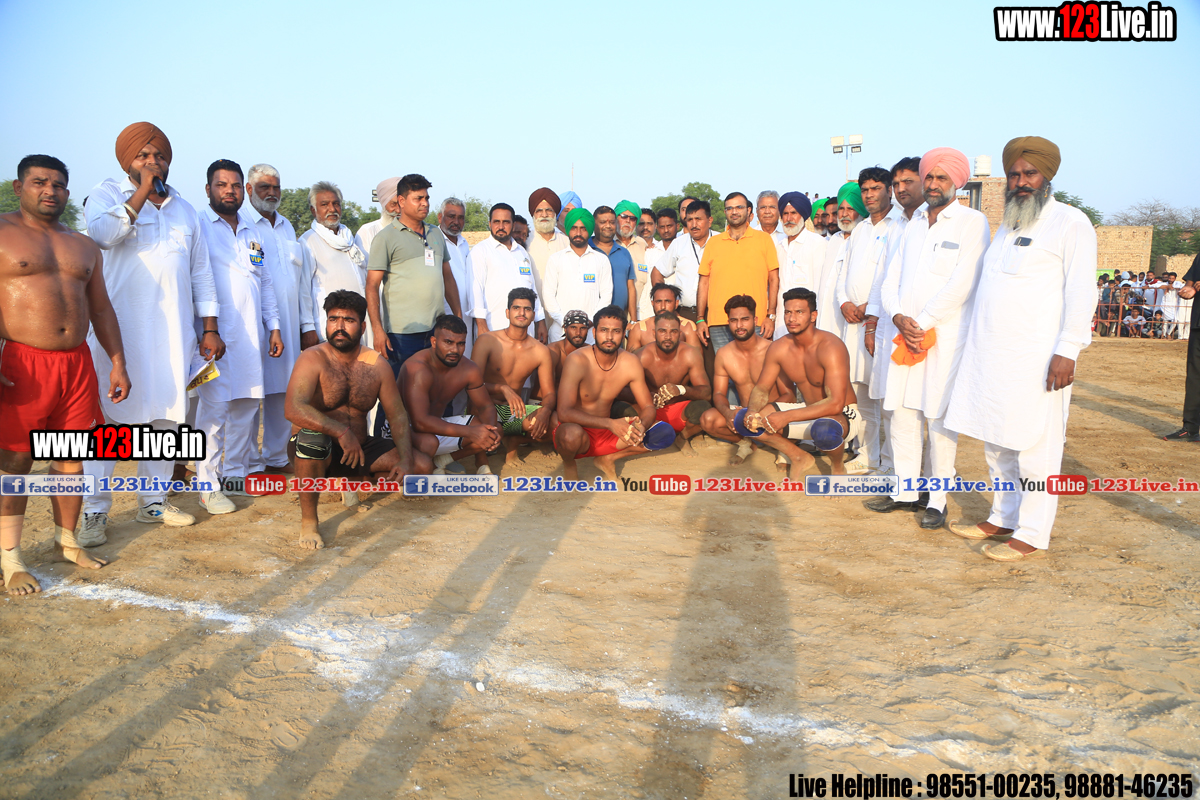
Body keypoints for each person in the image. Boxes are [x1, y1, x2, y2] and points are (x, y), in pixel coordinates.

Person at [946, 136, 1099, 560]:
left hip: (1040, 359)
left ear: (1046, 177)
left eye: (1029, 173)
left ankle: (1031, 532)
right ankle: (1003, 516)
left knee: (1036, 447)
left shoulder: (1071, 222)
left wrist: (1068, 349)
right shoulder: (1008, 225)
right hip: (993, 355)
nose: (1021, 181)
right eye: (1014, 174)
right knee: (997, 441)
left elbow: (1082, 292)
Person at [82, 122, 222, 543]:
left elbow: (201, 272)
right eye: (143, 155)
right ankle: (94, 510)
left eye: (159, 155)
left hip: (172, 334)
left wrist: (209, 327)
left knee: (167, 418)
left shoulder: (185, 209)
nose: (153, 162)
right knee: (107, 424)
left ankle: (152, 501)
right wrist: (142, 191)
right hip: (118, 334)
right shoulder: (106, 194)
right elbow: (102, 235)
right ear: (127, 161)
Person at [0, 155, 127, 594]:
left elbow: (101, 308)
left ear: (67, 193)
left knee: (70, 457)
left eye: (57, 184)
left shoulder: (84, 245)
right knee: (16, 460)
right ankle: (10, 558)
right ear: (19, 187)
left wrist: (117, 361)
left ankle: (66, 542)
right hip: (20, 361)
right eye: (39, 182)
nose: (49, 190)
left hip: (76, 363)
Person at [870, 147, 990, 529]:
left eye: (942, 177)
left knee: (938, 419)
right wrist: (898, 317)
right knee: (902, 414)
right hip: (904, 335)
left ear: (958, 182)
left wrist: (920, 323)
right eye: (930, 177)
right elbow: (890, 279)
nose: (934, 183)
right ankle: (905, 492)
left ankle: (937, 500)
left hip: (943, 338)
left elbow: (963, 283)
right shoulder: (914, 223)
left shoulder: (972, 222)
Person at [285, 290, 425, 550]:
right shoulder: (313, 358)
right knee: (312, 443)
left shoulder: (376, 365)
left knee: (421, 466)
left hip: (358, 450)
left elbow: (396, 415)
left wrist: (405, 459)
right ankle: (309, 521)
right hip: (318, 451)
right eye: (333, 319)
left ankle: (352, 482)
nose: (339, 327)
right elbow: (293, 408)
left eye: (348, 320)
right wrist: (341, 432)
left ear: (362, 327)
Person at [194, 160, 283, 515]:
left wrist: (273, 326)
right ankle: (207, 484)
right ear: (209, 190)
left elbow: (265, 282)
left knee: (246, 406)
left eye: (234, 185)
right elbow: (196, 280)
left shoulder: (251, 231)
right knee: (214, 410)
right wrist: (207, 330)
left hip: (251, 336)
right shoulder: (199, 226)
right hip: (213, 336)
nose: (229, 191)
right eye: (222, 185)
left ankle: (234, 475)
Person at [744, 288, 864, 481]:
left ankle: (837, 466)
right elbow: (762, 388)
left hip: (841, 415)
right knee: (746, 422)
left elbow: (835, 403)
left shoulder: (830, 347)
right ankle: (798, 456)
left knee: (824, 431)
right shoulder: (779, 348)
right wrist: (752, 411)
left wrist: (786, 416)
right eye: (788, 312)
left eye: (799, 312)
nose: (792, 318)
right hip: (807, 410)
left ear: (813, 316)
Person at [245, 163, 316, 475]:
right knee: (250, 393)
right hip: (253, 322)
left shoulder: (287, 227)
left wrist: (304, 325)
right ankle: (249, 461)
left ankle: (275, 457)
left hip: (287, 324)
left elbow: (299, 282)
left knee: (282, 391)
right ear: (249, 190)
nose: (272, 193)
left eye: (276, 187)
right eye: (265, 187)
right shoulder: (244, 225)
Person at [836, 166, 906, 475]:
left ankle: (890, 461)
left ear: (889, 190)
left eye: (876, 188)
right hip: (852, 324)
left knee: (885, 396)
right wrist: (844, 301)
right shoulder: (860, 229)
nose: (869, 195)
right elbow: (843, 273)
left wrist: (870, 308)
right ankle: (868, 455)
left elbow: (891, 276)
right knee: (859, 392)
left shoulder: (900, 226)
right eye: (865, 190)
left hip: (881, 323)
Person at [366, 174, 461, 379]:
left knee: (437, 387)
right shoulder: (385, 238)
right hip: (402, 335)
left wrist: (458, 317)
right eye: (418, 198)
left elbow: (448, 278)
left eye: (426, 198)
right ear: (401, 201)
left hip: (437, 330)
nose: (425, 203)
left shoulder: (436, 234)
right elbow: (372, 286)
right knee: (400, 389)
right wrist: (378, 329)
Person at [552, 305, 656, 481]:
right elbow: (564, 412)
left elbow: (648, 406)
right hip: (579, 431)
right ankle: (569, 463)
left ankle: (607, 458)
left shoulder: (631, 363)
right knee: (570, 435)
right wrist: (610, 423)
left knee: (661, 432)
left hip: (608, 433)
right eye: (604, 330)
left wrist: (642, 426)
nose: (609, 337)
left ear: (623, 333)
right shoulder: (577, 360)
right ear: (594, 333)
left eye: (616, 331)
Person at [698, 295, 797, 467]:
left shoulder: (772, 350)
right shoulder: (724, 354)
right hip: (746, 417)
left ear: (755, 320)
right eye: (734, 320)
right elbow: (719, 393)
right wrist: (728, 414)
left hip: (773, 415)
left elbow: (789, 395)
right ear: (728, 322)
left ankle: (784, 447)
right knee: (708, 419)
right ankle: (747, 443)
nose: (739, 326)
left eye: (745, 319)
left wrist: (761, 414)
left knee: (793, 420)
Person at [399, 315, 501, 474]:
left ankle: (443, 461)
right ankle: (425, 468)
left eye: (461, 344)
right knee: (428, 443)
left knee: (495, 429)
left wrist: (490, 432)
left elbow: (485, 406)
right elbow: (419, 422)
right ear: (434, 342)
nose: (455, 350)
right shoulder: (417, 368)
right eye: (448, 342)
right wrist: (471, 432)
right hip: (403, 428)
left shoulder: (469, 369)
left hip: (436, 425)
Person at [472, 288, 556, 468]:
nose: (521, 313)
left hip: (513, 412)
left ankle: (513, 441)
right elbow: (471, 385)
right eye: (516, 308)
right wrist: (503, 388)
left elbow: (549, 393)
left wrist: (545, 412)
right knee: (490, 425)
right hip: (483, 407)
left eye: (527, 309)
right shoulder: (487, 341)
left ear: (533, 315)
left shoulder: (540, 351)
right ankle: (481, 459)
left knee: (555, 423)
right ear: (507, 313)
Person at [697, 192, 780, 348]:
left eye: (739, 207)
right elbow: (704, 282)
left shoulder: (764, 239)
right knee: (724, 363)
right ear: (725, 212)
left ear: (748, 210)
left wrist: (771, 316)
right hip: (719, 322)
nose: (734, 212)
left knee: (756, 364)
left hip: (754, 320)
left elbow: (774, 279)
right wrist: (700, 318)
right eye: (729, 208)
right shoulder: (713, 243)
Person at [631, 311, 712, 455]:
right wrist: (646, 396)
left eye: (673, 332)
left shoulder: (690, 354)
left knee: (704, 408)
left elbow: (706, 393)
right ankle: (649, 435)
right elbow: (622, 391)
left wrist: (681, 390)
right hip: (647, 412)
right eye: (662, 331)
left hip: (677, 411)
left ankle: (682, 438)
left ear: (679, 333)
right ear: (654, 333)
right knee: (620, 408)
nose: (668, 337)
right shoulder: (641, 356)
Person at [300, 181, 369, 346]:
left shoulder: (349, 239)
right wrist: (308, 328)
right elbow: (303, 289)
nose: (332, 209)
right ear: (313, 210)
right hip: (330, 328)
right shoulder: (308, 241)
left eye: (336, 204)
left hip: (357, 323)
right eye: (324, 204)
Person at [470, 203, 546, 341]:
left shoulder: (521, 252)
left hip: (525, 330)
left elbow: (532, 288)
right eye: (496, 222)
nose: (501, 227)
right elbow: (475, 290)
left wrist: (540, 321)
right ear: (490, 224)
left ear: (513, 224)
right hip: (494, 328)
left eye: (506, 222)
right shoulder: (480, 251)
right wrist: (481, 325)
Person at [542, 208, 612, 342]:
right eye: (574, 228)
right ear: (568, 229)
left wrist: (590, 321)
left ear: (589, 230)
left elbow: (606, 295)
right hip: (560, 331)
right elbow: (548, 295)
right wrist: (565, 321)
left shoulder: (601, 260)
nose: (578, 233)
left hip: (590, 332)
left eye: (583, 228)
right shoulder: (556, 259)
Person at [773, 191, 826, 342]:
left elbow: (820, 287)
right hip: (781, 322)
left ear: (803, 215)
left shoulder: (817, 244)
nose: (789, 219)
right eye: (785, 214)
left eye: (794, 213)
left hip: (807, 323)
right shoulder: (778, 246)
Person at [652, 200, 714, 324]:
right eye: (690, 220)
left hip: (715, 312)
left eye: (698, 219)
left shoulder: (720, 241)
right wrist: (668, 305)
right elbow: (656, 272)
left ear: (710, 220)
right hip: (684, 313)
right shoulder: (679, 243)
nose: (694, 224)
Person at [815, 183, 864, 337]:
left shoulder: (864, 238)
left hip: (851, 316)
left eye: (850, 209)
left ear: (860, 210)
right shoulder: (833, 240)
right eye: (841, 209)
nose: (844, 214)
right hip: (824, 317)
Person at [437, 197, 474, 360]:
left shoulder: (464, 243)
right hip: (446, 315)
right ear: (440, 217)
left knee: (465, 359)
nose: (456, 222)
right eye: (451, 216)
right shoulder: (433, 241)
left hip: (467, 315)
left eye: (460, 217)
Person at [590, 206, 638, 323]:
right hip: (590, 320)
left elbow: (630, 287)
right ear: (593, 224)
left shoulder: (624, 252)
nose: (608, 226)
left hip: (618, 320)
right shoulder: (586, 248)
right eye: (603, 222)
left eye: (612, 222)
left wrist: (633, 320)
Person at [626, 283, 702, 350]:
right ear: (652, 303)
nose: (663, 307)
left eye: (668, 301)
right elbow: (631, 359)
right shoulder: (638, 328)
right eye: (658, 301)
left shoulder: (688, 327)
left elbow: (696, 358)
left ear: (676, 303)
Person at [526, 187, 568, 297]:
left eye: (549, 210)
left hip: (561, 304)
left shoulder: (566, 242)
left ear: (555, 214)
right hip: (533, 304)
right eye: (539, 211)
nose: (544, 215)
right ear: (533, 214)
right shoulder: (525, 241)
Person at [614, 199, 650, 310]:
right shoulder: (607, 244)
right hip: (612, 312)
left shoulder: (642, 244)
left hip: (639, 312)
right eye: (624, 216)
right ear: (615, 218)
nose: (628, 221)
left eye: (633, 218)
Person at [356, 175, 401, 257]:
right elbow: (364, 263)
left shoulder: (416, 232)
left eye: (402, 204)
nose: (398, 210)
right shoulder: (368, 231)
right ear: (384, 204)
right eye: (393, 204)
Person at [546, 310, 591, 388]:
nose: (578, 333)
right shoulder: (554, 351)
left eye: (583, 328)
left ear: (587, 330)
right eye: (573, 327)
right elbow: (544, 388)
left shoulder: (590, 352)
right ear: (565, 329)